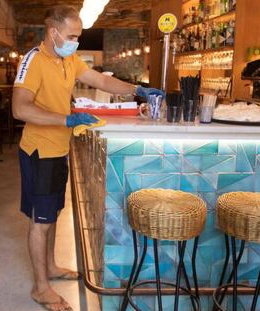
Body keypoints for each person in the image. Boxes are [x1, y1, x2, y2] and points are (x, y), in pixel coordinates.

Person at [12, 5, 164, 311]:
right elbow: (20, 108)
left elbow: (102, 81)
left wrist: (138, 89)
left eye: (78, 37)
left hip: (59, 149)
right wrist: (66, 119)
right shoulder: (33, 61)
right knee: (40, 221)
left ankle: (51, 267)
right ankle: (41, 288)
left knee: (52, 213)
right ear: (53, 32)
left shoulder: (68, 59)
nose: (75, 42)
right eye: (71, 36)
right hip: (39, 151)